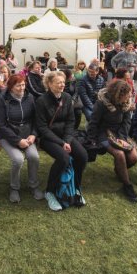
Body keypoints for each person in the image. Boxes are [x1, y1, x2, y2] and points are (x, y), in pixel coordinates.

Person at [35, 71, 88, 211]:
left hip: (66, 137)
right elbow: (42, 128)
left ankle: (76, 188)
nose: (62, 85)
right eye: (58, 82)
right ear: (49, 84)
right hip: (48, 138)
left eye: (63, 82)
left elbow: (71, 121)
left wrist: (67, 140)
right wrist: (61, 143)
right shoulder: (41, 101)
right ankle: (50, 192)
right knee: (64, 158)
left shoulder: (67, 97)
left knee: (82, 156)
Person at [86, 80, 137, 202]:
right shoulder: (102, 103)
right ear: (118, 95)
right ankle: (127, 185)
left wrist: (121, 138)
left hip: (120, 133)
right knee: (119, 154)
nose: (129, 97)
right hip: (103, 133)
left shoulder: (126, 103)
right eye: (127, 95)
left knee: (133, 157)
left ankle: (119, 170)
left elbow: (127, 122)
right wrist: (92, 140)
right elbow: (93, 123)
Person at [0, 75, 44, 203]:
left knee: (34, 157)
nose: (22, 88)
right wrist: (17, 140)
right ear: (11, 87)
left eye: (23, 84)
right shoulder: (2, 100)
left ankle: (33, 185)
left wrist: (33, 134)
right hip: (7, 135)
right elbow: (1, 125)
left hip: (27, 135)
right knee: (18, 159)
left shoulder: (30, 98)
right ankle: (14, 188)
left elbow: (35, 119)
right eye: (18, 85)